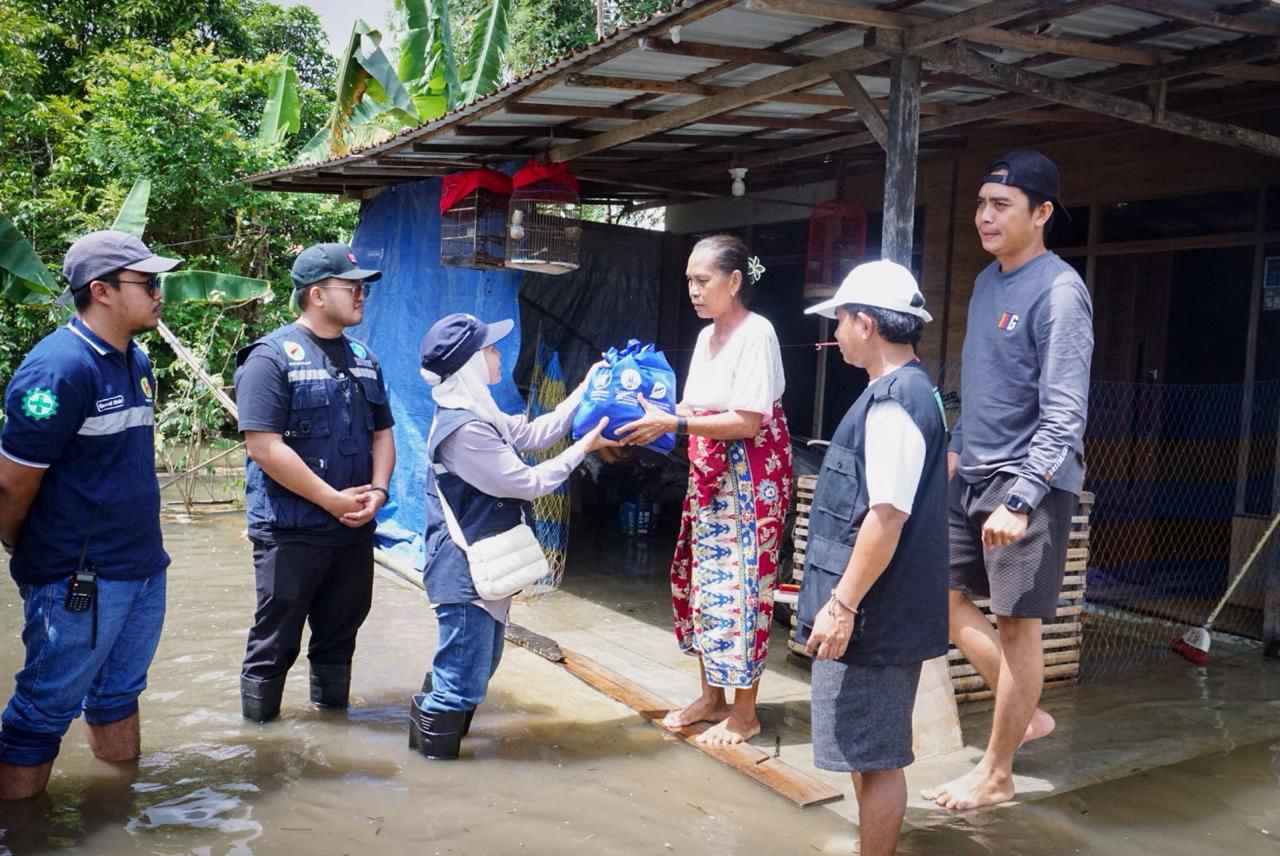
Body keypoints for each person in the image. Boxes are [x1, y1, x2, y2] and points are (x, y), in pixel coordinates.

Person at [925, 149, 1094, 810]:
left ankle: (996, 773)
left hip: (1027, 485)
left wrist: (1022, 499)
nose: (984, 216)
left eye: (1002, 205)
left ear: (1042, 213)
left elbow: (1065, 412)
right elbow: (982, 385)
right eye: (981, 203)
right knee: (941, 599)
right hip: (973, 475)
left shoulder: (1059, 291)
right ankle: (1026, 715)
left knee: (1018, 625)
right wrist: (958, 449)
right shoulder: (987, 283)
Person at [0, 230, 180, 799]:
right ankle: (22, 831)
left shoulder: (135, 359)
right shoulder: (57, 370)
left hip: (142, 567)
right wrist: (24, 549)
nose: (158, 293)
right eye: (147, 282)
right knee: (43, 707)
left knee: (119, 694)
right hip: (82, 576)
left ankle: (117, 813)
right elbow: (10, 485)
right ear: (100, 291)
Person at [794, 261, 948, 856]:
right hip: (881, 610)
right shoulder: (910, 390)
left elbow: (886, 517)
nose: (835, 333)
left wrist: (842, 605)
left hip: (874, 615)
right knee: (867, 750)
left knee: (877, 758)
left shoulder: (893, 402)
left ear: (865, 323)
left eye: (840, 320)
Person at [411, 313, 614, 759]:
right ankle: (433, 777)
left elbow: (536, 433)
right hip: (464, 574)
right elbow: (527, 482)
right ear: (468, 364)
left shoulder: (478, 413)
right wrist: (585, 448)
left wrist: (587, 387)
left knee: (471, 670)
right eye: (490, 348)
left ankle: (433, 760)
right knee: (461, 681)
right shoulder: (463, 431)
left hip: (480, 570)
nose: (498, 353)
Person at [619, 234, 793, 747]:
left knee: (745, 587)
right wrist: (639, 412)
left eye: (703, 280)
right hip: (712, 472)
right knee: (702, 579)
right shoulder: (705, 338)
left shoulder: (757, 333)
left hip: (753, 476)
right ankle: (712, 697)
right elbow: (694, 409)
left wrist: (673, 422)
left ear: (734, 281)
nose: (694, 290)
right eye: (689, 281)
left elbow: (745, 421)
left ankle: (745, 712)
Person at [233, 242, 396, 723]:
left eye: (363, 287)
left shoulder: (365, 357)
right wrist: (330, 500)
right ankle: (261, 747)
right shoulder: (271, 357)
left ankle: (331, 725)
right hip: (291, 529)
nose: (362, 295)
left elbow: (383, 433)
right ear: (317, 295)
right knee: (276, 638)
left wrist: (380, 492)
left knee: (340, 633)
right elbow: (263, 446)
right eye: (353, 287)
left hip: (352, 528)